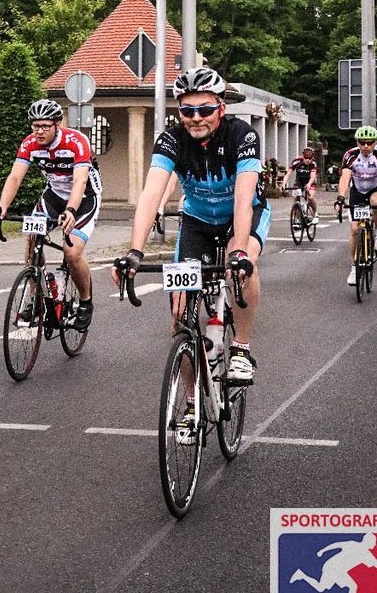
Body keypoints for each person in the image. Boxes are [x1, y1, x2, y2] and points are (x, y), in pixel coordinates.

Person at [113, 66, 270, 384]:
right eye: (188, 110)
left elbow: (243, 200)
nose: (196, 117)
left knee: (240, 263)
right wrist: (134, 252)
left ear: (221, 108)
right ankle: (188, 407)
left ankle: (240, 348)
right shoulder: (171, 140)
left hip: (241, 216)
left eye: (205, 109)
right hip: (197, 221)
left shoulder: (242, 135)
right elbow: (150, 194)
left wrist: (238, 251)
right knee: (180, 319)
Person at [0, 99, 102, 332]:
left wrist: (70, 211)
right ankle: (37, 299)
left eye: (45, 126)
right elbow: (15, 177)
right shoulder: (30, 143)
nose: (39, 131)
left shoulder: (76, 142)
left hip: (84, 197)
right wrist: (2, 208)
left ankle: (85, 301)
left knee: (72, 251)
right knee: (31, 242)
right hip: (54, 195)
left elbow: (80, 180)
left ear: (58, 124)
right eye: (35, 126)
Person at [334, 126, 377, 285]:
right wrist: (340, 197)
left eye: (369, 143)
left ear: (375, 142)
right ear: (357, 142)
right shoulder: (350, 155)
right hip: (357, 191)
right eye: (362, 142)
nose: (365, 146)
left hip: (374, 189)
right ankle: (354, 267)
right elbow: (345, 178)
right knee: (353, 230)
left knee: (376, 202)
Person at [280, 146, 319, 223]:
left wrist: (308, 184)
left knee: (310, 197)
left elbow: (312, 177)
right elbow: (288, 174)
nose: (308, 160)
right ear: (303, 156)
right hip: (299, 181)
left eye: (310, 158)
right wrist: (284, 184)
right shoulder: (296, 162)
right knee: (296, 199)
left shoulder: (313, 164)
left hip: (310, 181)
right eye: (306, 158)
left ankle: (315, 214)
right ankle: (297, 218)